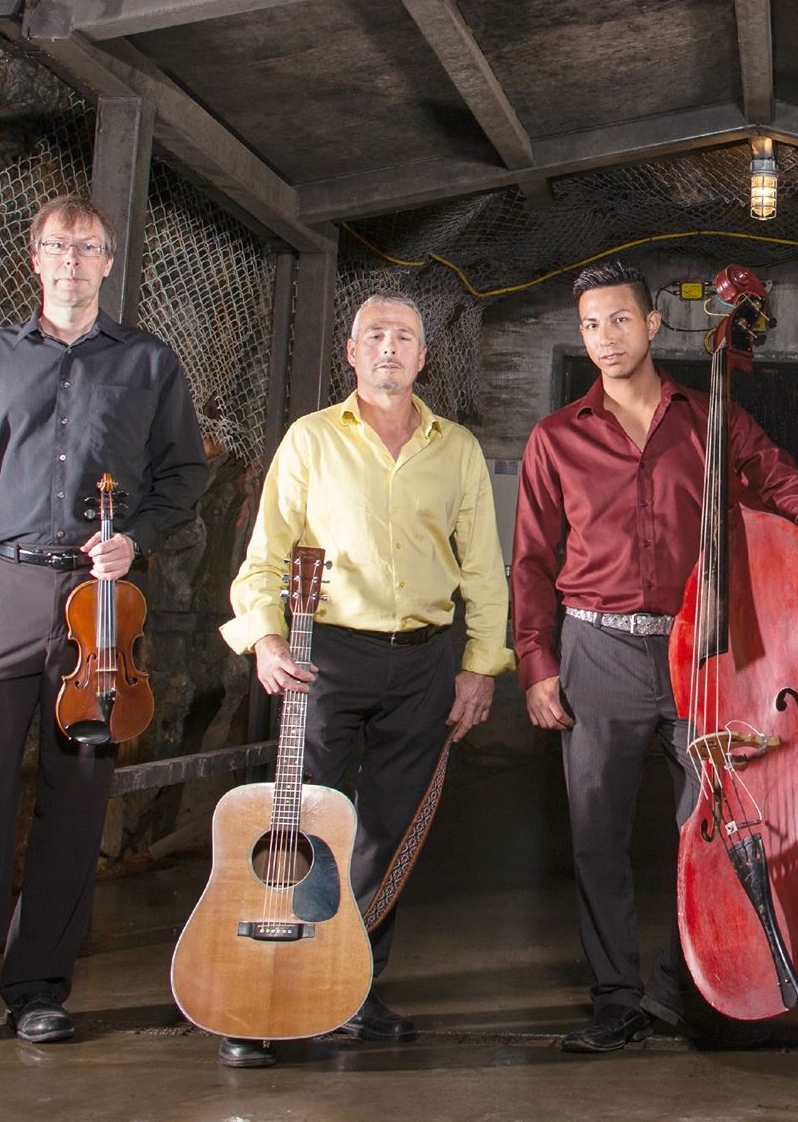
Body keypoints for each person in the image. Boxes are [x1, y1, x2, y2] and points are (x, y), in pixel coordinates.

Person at [0, 196, 209, 1058]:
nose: (71, 262)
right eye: (57, 246)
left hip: (98, 611)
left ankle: (39, 992)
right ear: (35, 257)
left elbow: (183, 477)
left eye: (88, 249)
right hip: (4, 593)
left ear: (107, 261)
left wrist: (138, 538)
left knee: (76, 801)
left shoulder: (150, 364)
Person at [511, 261, 798, 1052]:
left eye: (620, 321)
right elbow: (532, 560)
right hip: (595, 645)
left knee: (705, 825)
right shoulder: (554, 436)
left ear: (652, 325)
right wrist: (537, 665)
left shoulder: (712, 417)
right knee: (596, 832)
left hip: (699, 650)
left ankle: (689, 986)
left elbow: (779, 478)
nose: (605, 338)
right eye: (592, 324)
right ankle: (615, 996)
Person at [218, 292, 513, 1068]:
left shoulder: (456, 450)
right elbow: (265, 557)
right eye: (375, 336)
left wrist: (480, 664)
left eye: (404, 337)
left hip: (423, 659)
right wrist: (264, 638)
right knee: (305, 819)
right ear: (350, 353)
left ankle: (351, 986)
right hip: (325, 655)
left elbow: (484, 565)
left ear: (423, 357)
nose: (389, 348)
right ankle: (273, 984)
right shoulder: (309, 440)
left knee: (388, 829)